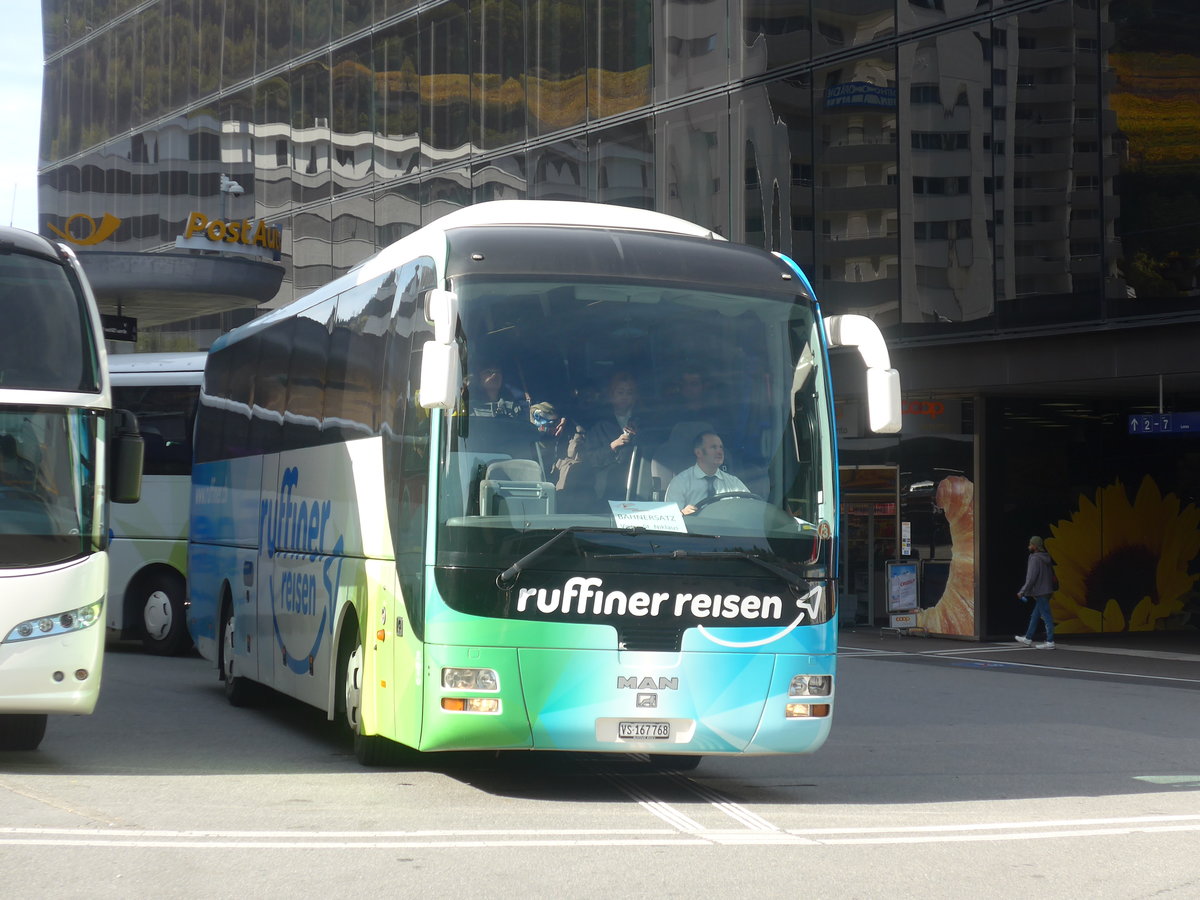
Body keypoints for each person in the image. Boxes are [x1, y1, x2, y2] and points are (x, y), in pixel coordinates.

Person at [585, 371, 644, 499]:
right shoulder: (599, 424)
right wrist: (613, 446)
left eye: (629, 393)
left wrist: (639, 436)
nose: (625, 397)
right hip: (608, 489)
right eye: (620, 392)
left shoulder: (643, 421)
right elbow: (590, 459)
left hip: (640, 485)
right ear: (611, 395)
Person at [664, 431, 749, 515]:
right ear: (698, 453)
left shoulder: (734, 483)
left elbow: (751, 508)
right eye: (714, 447)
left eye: (721, 447)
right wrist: (682, 513)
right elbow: (670, 518)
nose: (720, 452)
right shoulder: (680, 483)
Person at [1015, 535, 1056, 649]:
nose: (1029, 546)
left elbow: (1031, 578)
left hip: (1040, 592)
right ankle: (1028, 638)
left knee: (1046, 616)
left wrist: (1022, 591)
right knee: (1035, 615)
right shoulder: (1046, 557)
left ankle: (1050, 641)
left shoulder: (1035, 558)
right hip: (1047, 590)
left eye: (1031, 544)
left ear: (1035, 546)